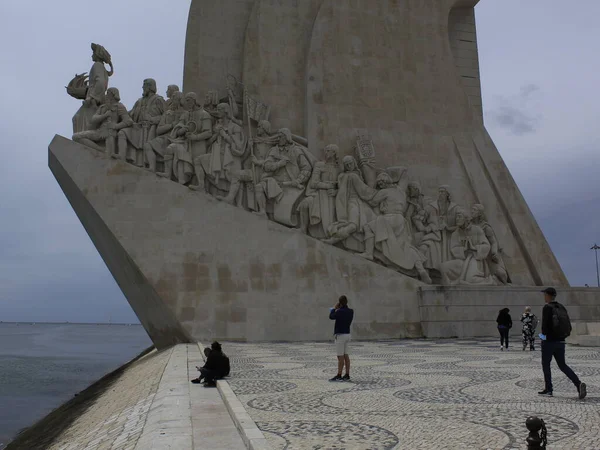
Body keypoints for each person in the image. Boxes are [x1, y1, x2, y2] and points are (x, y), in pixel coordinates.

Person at [538, 287, 586, 399]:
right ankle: (578, 384)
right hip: (561, 341)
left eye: (545, 294)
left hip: (549, 341)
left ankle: (549, 389)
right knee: (563, 365)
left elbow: (544, 327)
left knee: (546, 365)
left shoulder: (547, 307)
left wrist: (542, 337)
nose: (544, 297)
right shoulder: (561, 307)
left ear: (548, 295)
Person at [329, 295, 354, 382]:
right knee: (346, 355)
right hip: (347, 334)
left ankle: (339, 375)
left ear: (340, 302)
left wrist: (334, 308)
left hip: (340, 335)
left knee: (340, 356)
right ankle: (347, 374)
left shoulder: (339, 311)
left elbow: (331, 316)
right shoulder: (351, 311)